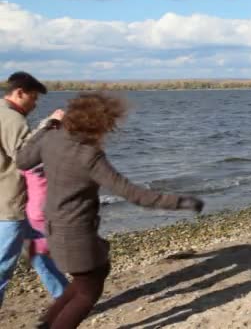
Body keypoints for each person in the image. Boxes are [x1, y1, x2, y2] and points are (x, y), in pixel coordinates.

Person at [16, 91, 204, 329]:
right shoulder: (89, 156)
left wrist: (48, 125)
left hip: (54, 228)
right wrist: (181, 202)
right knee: (87, 292)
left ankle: (45, 325)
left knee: (95, 271)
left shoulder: (51, 138)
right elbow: (134, 194)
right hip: (76, 234)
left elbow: (22, 161)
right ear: (98, 123)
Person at [0, 72, 66, 307]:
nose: (35, 103)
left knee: (39, 252)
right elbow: (26, 157)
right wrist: (50, 125)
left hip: (19, 202)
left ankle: (65, 298)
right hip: (10, 206)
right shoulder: (10, 118)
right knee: (2, 267)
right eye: (34, 97)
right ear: (19, 93)